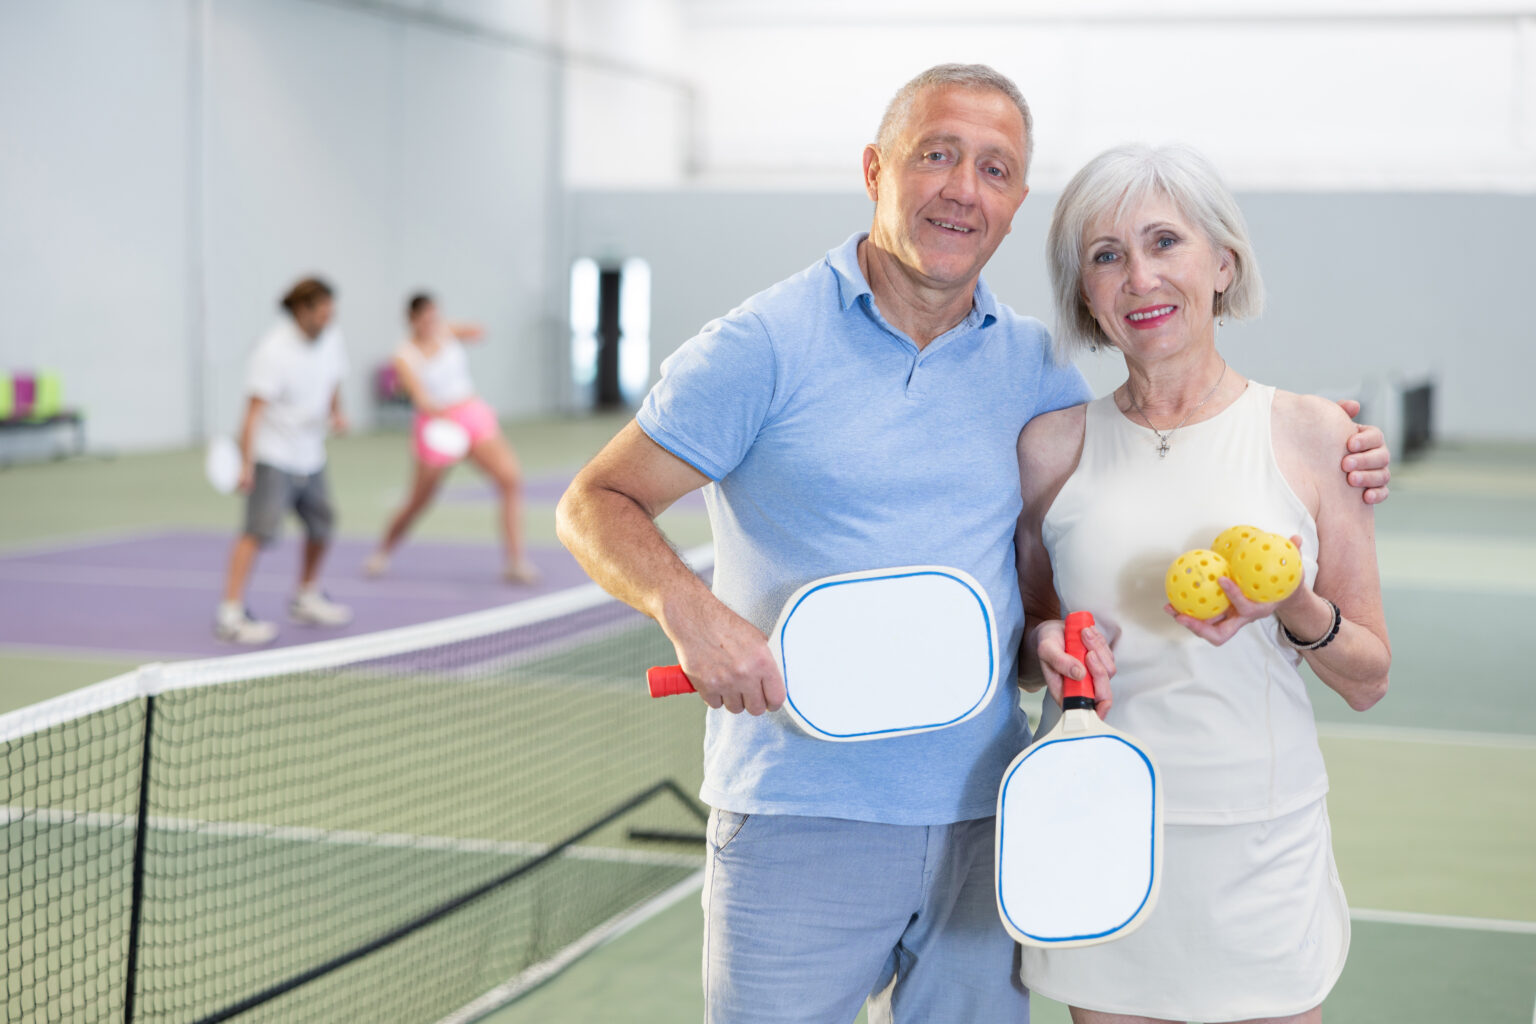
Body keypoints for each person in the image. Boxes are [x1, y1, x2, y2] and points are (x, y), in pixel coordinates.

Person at [557, 66, 1390, 1024]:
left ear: (1015, 203)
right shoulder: (763, 344)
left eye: (995, 169)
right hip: (801, 816)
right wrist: (689, 613)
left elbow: (1051, 573)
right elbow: (596, 499)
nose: (964, 188)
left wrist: (1044, 639)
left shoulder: (1030, 369)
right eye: (936, 155)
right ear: (876, 169)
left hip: (993, 816)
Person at [1015, 143, 1392, 1023]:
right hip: (1094, 830)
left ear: (1222, 264)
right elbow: (1033, 641)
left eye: (1164, 243)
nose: (1140, 277)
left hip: (1256, 847)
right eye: (1106, 256)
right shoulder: (1049, 447)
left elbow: (1370, 678)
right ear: (1086, 294)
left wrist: (1294, 605)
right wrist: (1041, 645)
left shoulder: (1315, 436)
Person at [364, 293, 539, 584]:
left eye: (435, 316)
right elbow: (421, 398)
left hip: (472, 414)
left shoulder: (445, 331)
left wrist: (455, 328)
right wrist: (442, 417)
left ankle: (516, 562)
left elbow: (477, 330)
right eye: (425, 318)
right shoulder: (404, 354)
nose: (432, 322)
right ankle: (382, 552)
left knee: (510, 479)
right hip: (437, 426)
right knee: (419, 499)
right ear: (412, 320)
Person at [216, 277, 353, 644]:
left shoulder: (332, 338)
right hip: (274, 455)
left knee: (322, 524)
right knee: (257, 532)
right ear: (301, 311)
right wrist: (245, 465)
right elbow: (251, 414)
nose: (328, 318)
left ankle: (306, 597)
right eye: (322, 311)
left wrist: (337, 413)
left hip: (312, 453)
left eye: (331, 311)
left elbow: (334, 379)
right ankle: (231, 614)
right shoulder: (272, 351)